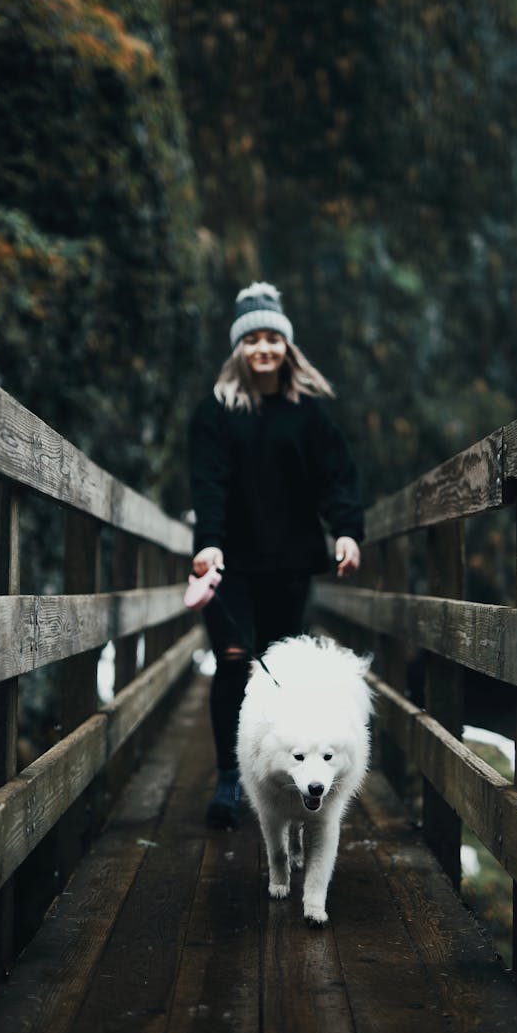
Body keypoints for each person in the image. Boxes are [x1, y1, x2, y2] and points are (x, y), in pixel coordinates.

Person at [188, 281, 364, 827]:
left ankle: (274, 777)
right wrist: (209, 543)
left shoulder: (309, 415)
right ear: (239, 348)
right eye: (252, 339)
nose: (263, 348)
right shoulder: (215, 412)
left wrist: (346, 530)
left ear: (286, 345)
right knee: (235, 664)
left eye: (272, 338)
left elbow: (338, 478)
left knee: (275, 675)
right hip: (232, 564)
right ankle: (227, 779)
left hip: (288, 564)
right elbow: (208, 483)